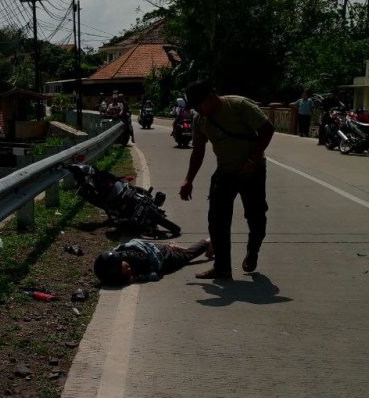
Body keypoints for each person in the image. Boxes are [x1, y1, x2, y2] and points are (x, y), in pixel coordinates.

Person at [179, 79, 275, 280]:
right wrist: (188, 180)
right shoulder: (200, 119)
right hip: (225, 172)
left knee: (256, 217)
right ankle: (222, 268)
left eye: (199, 104)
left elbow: (267, 129)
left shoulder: (238, 105)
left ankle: (253, 250)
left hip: (253, 170)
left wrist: (252, 159)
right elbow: (198, 151)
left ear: (212, 97)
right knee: (217, 220)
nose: (197, 109)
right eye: (194, 106)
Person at [94, 236, 213, 285]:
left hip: (164, 257)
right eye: (124, 272)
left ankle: (207, 242)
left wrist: (136, 278)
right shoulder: (118, 253)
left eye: (125, 269)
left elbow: (155, 275)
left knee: (186, 257)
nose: (128, 270)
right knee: (173, 251)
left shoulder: (138, 261)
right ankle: (172, 248)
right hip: (152, 248)